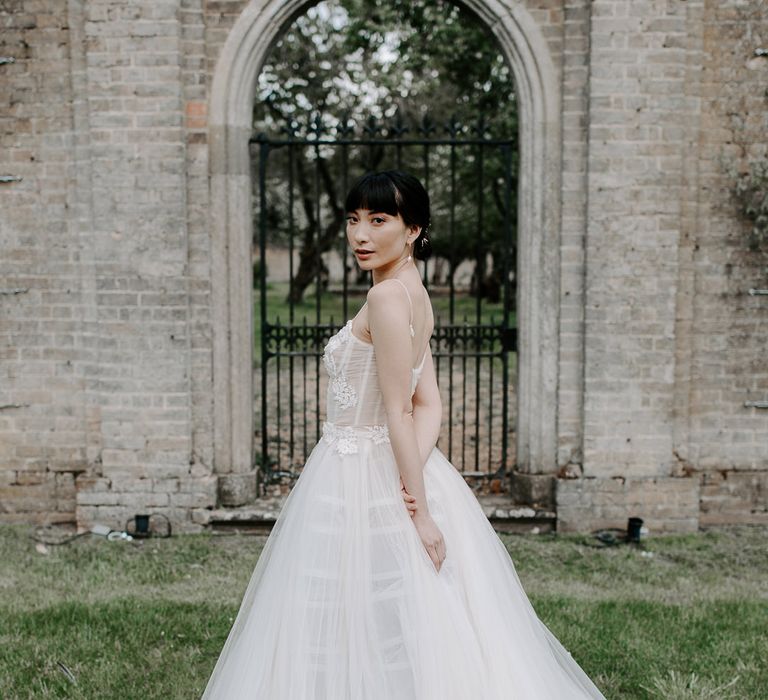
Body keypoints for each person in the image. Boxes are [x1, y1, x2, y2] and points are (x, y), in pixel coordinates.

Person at [201, 170, 606, 699]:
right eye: (353, 220)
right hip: (384, 462)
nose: (360, 235)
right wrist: (412, 473)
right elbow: (428, 403)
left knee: (357, 606)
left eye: (378, 220)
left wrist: (416, 508)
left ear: (413, 229)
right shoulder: (415, 292)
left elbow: (400, 410)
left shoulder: (389, 298)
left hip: (359, 468)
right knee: (388, 608)